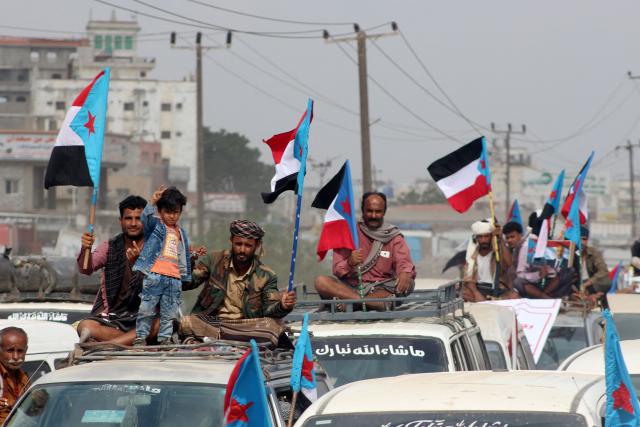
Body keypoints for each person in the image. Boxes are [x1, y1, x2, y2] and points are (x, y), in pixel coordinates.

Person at [180, 220, 296, 341]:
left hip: (245, 326)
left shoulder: (267, 276)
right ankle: (231, 340)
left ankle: (218, 340)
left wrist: (283, 305)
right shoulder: (213, 260)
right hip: (214, 323)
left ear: (256, 245)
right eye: (238, 244)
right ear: (231, 241)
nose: (242, 250)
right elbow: (187, 284)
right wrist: (188, 261)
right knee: (186, 322)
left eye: (248, 246)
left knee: (273, 326)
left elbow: (269, 310)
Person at [76, 195, 160, 345]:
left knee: (160, 324)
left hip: (144, 317)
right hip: (115, 319)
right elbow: (85, 269)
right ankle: (126, 342)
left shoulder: (155, 247)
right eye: (128, 218)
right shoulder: (111, 246)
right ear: (120, 221)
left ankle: (109, 345)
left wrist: (139, 266)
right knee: (85, 326)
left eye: (138, 218)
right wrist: (86, 248)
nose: (133, 223)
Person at [314, 192, 416, 311]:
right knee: (321, 282)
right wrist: (350, 262)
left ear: (384, 212)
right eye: (369, 211)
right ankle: (369, 303)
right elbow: (337, 269)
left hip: (381, 288)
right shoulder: (350, 233)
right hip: (351, 287)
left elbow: (404, 263)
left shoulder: (394, 237)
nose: (373, 215)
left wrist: (404, 274)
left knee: (407, 284)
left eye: (378, 211)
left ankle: (351, 304)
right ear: (363, 211)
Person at [132, 186, 191, 346]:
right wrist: (152, 202)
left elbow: (181, 256)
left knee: (170, 311)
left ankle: (164, 339)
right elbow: (144, 219)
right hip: (155, 275)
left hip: (174, 278)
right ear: (160, 211)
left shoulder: (182, 233)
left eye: (176, 212)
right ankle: (140, 338)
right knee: (146, 309)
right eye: (168, 212)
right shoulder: (156, 226)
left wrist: (190, 262)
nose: (172, 216)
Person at [462, 220, 517, 302]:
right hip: (479, 288)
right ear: (476, 238)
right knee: (465, 294)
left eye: (486, 236)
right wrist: (476, 293)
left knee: (514, 296)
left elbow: (509, 263)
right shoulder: (472, 255)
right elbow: (468, 278)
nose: (483, 240)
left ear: (491, 237)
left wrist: (500, 238)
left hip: (498, 288)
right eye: (480, 237)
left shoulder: (498, 252)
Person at [0, 327, 29, 424]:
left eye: (20, 351)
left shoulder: (24, 379)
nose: (16, 357)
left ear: (26, 350)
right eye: (10, 350)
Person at [579, 226, 610, 295]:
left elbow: (603, 270)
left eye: (584, 239)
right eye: (579, 239)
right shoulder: (568, 252)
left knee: (606, 281)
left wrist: (587, 284)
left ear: (587, 241)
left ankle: (593, 296)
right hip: (573, 284)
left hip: (590, 283)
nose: (581, 242)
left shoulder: (593, 252)